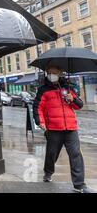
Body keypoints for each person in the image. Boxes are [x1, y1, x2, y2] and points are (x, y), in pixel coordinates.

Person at [33, 65, 94, 193]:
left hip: (70, 128)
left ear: (60, 74)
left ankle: (79, 185)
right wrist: (40, 122)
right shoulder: (43, 90)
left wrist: (73, 99)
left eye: (54, 73)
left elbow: (79, 105)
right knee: (51, 154)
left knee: (76, 155)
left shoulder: (68, 88)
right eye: (48, 73)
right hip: (53, 128)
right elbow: (37, 107)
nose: (51, 75)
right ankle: (48, 172)